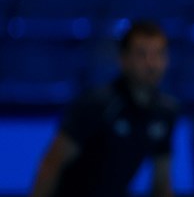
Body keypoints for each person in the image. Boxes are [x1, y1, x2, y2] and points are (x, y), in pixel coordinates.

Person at [32, 22, 178, 197]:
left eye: (158, 54)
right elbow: (52, 164)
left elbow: (162, 182)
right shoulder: (97, 104)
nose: (151, 64)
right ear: (123, 59)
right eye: (141, 54)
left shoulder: (166, 111)